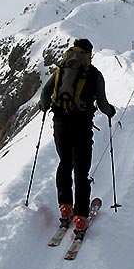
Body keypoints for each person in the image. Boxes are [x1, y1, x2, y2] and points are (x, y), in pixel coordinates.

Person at [39, 38, 116, 234]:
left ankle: (65, 207)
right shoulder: (94, 74)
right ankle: (80, 216)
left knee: (65, 163)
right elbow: (103, 104)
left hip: (60, 125)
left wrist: (45, 106)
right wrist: (110, 112)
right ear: (89, 54)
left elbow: (45, 94)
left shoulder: (61, 69)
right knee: (81, 170)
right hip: (81, 127)